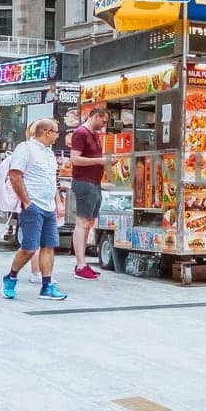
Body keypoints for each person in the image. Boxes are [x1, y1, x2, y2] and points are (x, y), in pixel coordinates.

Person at [1, 118, 69, 300]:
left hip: (48, 206)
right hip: (33, 205)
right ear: (46, 132)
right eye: (56, 131)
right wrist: (26, 202)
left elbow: (51, 180)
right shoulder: (26, 148)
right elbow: (15, 175)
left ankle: (47, 285)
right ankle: (11, 276)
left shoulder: (49, 153)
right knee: (30, 248)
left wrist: (58, 201)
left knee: (49, 246)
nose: (57, 135)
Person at [68, 106, 111, 281]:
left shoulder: (94, 134)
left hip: (94, 182)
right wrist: (100, 161)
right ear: (96, 116)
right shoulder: (81, 133)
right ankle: (80, 264)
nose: (104, 124)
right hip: (84, 183)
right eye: (104, 120)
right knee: (82, 221)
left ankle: (83, 263)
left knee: (88, 222)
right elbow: (74, 159)